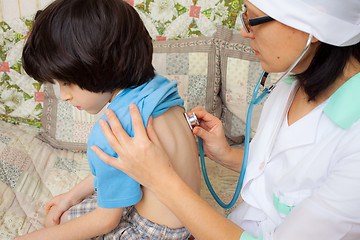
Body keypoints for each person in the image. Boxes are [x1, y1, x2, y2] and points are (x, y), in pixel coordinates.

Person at [90, 0, 360, 239]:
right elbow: (288, 179)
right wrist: (226, 154)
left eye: (253, 19)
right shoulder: (292, 81)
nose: (245, 31)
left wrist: (160, 178)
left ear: (311, 27)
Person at [18, 0, 200, 239]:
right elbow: (117, 164)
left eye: (66, 82)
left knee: (57, 226)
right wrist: (71, 196)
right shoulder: (159, 89)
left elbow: (105, 220)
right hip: (193, 219)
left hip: (150, 233)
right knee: (66, 214)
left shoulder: (113, 129)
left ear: (100, 65)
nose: (63, 96)